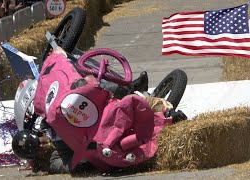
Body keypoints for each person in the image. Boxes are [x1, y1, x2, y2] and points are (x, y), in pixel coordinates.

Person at [12, 47, 187, 174]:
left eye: (38, 141)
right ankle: (167, 117)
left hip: (85, 108)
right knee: (126, 130)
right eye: (39, 148)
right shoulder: (53, 158)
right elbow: (65, 166)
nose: (42, 144)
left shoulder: (41, 123)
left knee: (101, 90)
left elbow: (48, 103)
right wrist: (79, 164)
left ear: (35, 135)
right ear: (37, 154)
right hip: (97, 133)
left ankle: (130, 87)